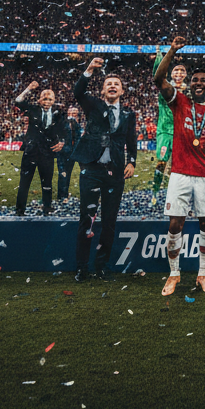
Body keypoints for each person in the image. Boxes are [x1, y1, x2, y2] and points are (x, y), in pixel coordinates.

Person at [153, 36, 205, 296]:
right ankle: (174, 274)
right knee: (175, 225)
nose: (198, 83)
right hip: (180, 174)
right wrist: (172, 50)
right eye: (194, 80)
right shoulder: (180, 102)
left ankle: (203, 273)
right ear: (190, 83)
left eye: (203, 80)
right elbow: (158, 80)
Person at [72, 59, 138, 281]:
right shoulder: (93, 105)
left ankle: (101, 267)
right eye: (108, 83)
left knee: (109, 221)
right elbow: (78, 92)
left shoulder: (129, 114)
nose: (112, 86)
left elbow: (131, 140)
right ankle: (82, 268)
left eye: (116, 84)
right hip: (91, 169)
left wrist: (133, 162)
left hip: (116, 172)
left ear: (121, 90)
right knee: (87, 219)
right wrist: (89, 70)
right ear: (102, 90)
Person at [13, 82, 67, 216]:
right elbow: (18, 101)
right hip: (30, 152)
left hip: (48, 153)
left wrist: (62, 142)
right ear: (39, 99)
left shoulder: (58, 114)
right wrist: (28, 89)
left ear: (54, 100)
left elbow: (63, 131)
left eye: (50, 99)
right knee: (24, 182)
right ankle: (20, 210)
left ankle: (47, 208)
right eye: (44, 98)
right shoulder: (33, 109)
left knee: (47, 183)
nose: (47, 101)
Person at [151, 47, 187, 208]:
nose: (179, 73)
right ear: (171, 74)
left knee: (181, 165)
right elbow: (157, 76)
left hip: (182, 133)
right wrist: (160, 57)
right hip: (165, 131)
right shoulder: (165, 88)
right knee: (161, 162)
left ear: (186, 75)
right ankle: (155, 193)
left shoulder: (191, 91)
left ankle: (178, 195)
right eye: (176, 70)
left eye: (182, 70)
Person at [57, 106, 83, 201]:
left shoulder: (77, 125)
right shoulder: (63, 123)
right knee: (63, 173)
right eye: (71, 113)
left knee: (67, 174)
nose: (72, 115)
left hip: (71, 153)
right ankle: (61, 196)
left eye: (74, 113)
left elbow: (77, 139)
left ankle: (64, 194)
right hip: (63, 153)